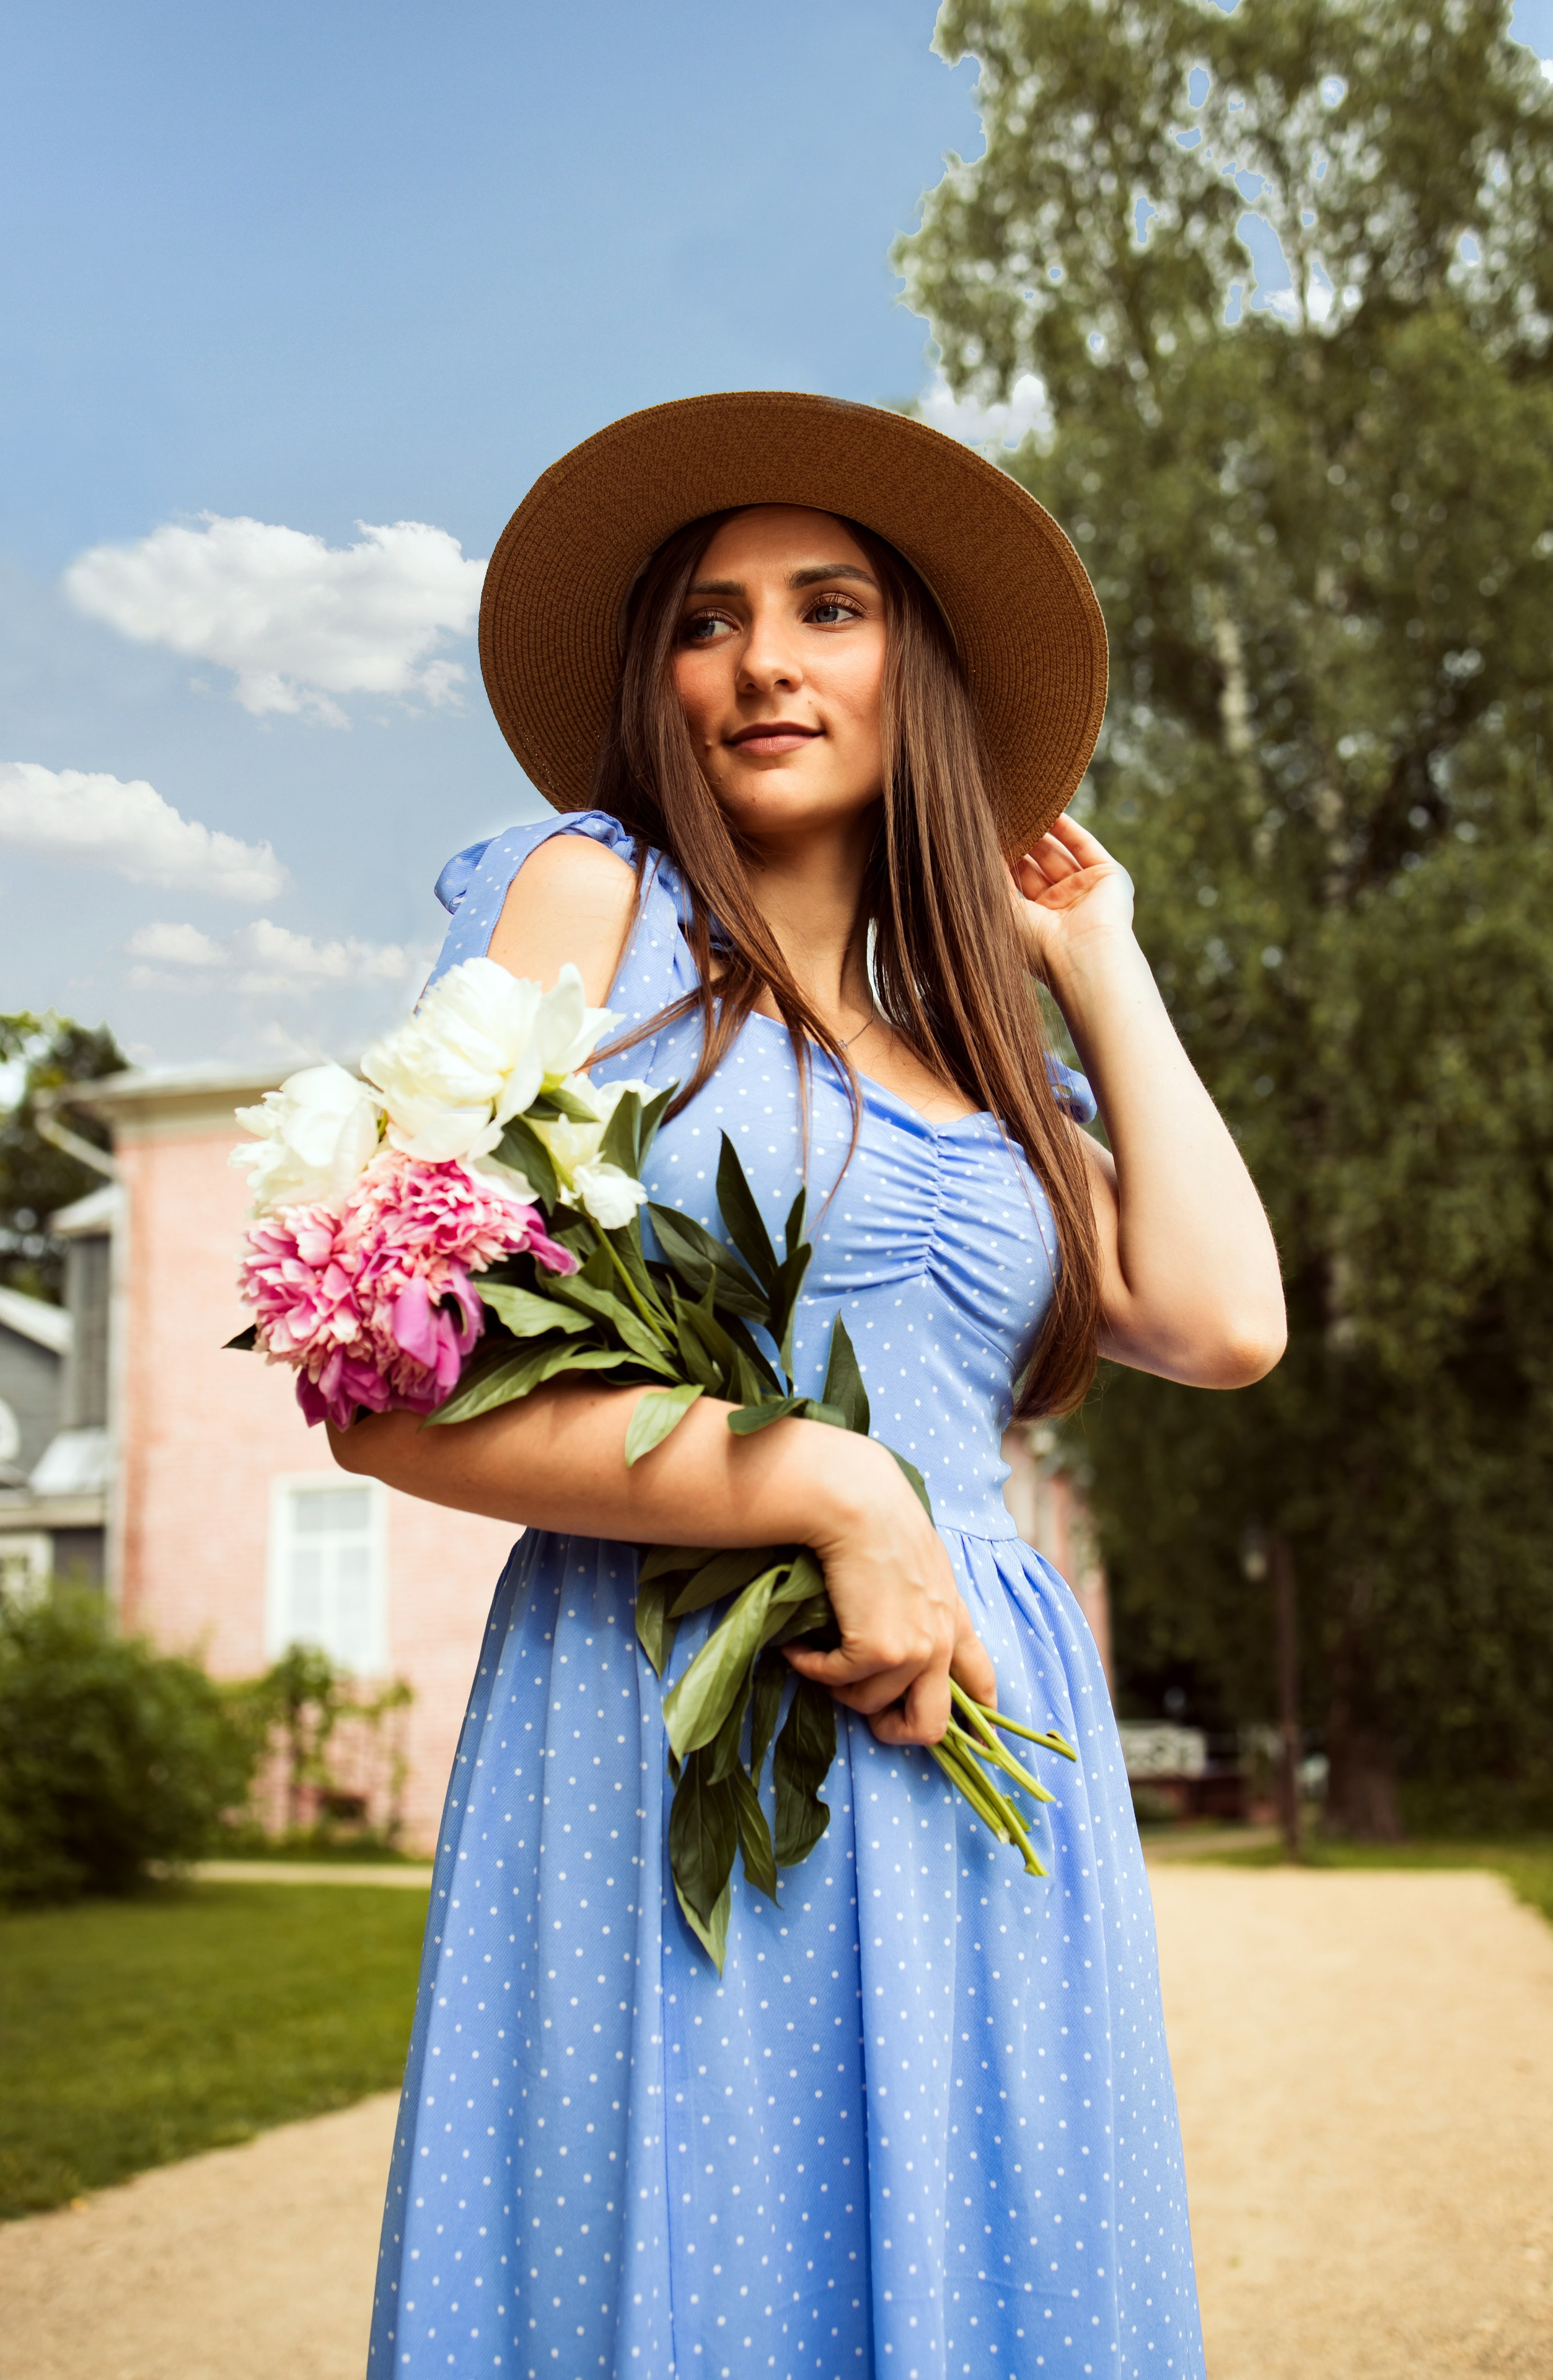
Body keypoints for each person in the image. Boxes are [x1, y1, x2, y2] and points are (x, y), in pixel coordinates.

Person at [337, 391, 1286, 2380]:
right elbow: (373, 1372)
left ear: (912, 672)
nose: (762, 659)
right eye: (706, 618)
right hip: (668, 1713)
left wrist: (1098, 963)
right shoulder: (592, 905)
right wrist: (835, 1491)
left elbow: (1223, 1321)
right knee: (686, 2267)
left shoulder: (982, 1054)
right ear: (654, 679)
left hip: (987, 1760)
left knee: (991, 2267)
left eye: (830, 608)